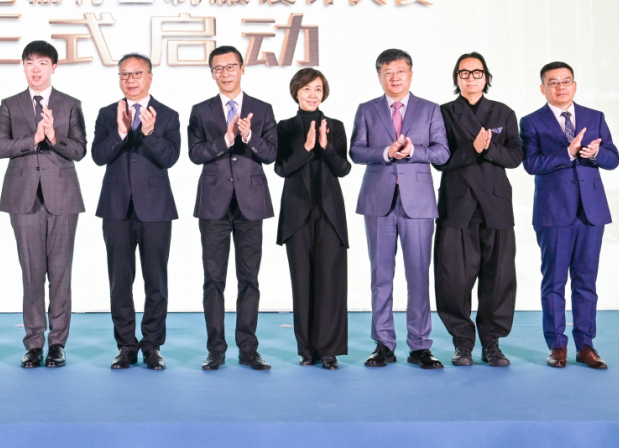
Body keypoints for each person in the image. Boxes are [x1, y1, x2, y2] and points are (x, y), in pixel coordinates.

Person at [350, 48, 450, 370]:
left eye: (400, 71)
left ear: (410, 74)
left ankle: (420, 346)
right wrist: (385, 152)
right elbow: (356, 151)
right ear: (379, 76)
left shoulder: (430, 109)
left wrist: (412, 152)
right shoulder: (367, 109)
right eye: (388, 72)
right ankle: (383, 344)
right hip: (378, 201)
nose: (394, 78)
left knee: (418, 275)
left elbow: (442, 153)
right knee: (381, 277)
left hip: (417, 203)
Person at [0, 41, 86, 369]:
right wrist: (32, 139)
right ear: (23, 66)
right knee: (31, 274)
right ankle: (33, 343)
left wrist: (54, 137)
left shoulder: (70, 104)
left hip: (63, 196)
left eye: (43, 63)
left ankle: (57, 343)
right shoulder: (10, 104)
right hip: (23, 197)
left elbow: (80, 150)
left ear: (54, 68)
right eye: (30, 62)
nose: (36, 69)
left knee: (60, 273)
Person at [521, 61, 619, 369]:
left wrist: (595, 154)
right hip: (553, 212)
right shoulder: (531, 122)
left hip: (591, 212)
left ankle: (586, 345)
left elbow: (613, 158)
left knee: (586, 282)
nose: (561, 87)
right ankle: (557, 346)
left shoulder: (594, 117)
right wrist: (567, 153)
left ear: (574, 85)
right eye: (553, 82)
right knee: (554, 282)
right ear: (543, 88)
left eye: (566, 81)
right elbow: (531, 164)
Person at [187, 46, 276, 371]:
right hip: (214, 204)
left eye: (231, 67)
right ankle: (216, 349)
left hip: (251, 203)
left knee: (249, 279)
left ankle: (248, 349)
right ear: (212, 73)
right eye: (218, 68)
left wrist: (249, 137)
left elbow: (271, 154)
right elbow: (195, 154)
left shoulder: (262, 109)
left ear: (242, 69)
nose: (225, 73)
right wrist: (225, 140)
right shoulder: (201, 111)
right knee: (213, 280)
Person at [91, 53, 181, 370]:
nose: (130, 79)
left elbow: (170, 158)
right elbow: (98, 156)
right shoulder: (107, 114)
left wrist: (150, 134)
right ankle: (126, 345)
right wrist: (119, 132)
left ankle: (152, 345)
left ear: (150, 77)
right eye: (124, 74)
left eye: (137, 73)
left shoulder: (167, 115)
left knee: (156, 281)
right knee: (120, 282)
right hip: (116, 208)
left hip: (156, 209)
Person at [433, 53, 521, 367]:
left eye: (477, 72)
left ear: (486, 77)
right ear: (456, 78)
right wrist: (472, 149)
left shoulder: (503, 112)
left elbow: (515, 157)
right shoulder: (443, 113)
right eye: (464, 73)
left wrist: (489, 148)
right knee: (453, 278)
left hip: (495, 204)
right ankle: (462, 343)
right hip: (458, 204)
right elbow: (440, 160)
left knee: (498, 277)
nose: (471, 78)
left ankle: (492, 343)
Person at [275, 68, 351, 370]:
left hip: (330, 213)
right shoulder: (284, 127)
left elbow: (343, 168)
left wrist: (325, 147)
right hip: (297, 214)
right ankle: (307, 350)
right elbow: (281, 168)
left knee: (330, 283)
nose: (312, 94)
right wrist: (306, 148)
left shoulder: (336, 126)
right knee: (302, 283)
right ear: (296, 91)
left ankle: (329, 350)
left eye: (318, 89)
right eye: (306, 89)